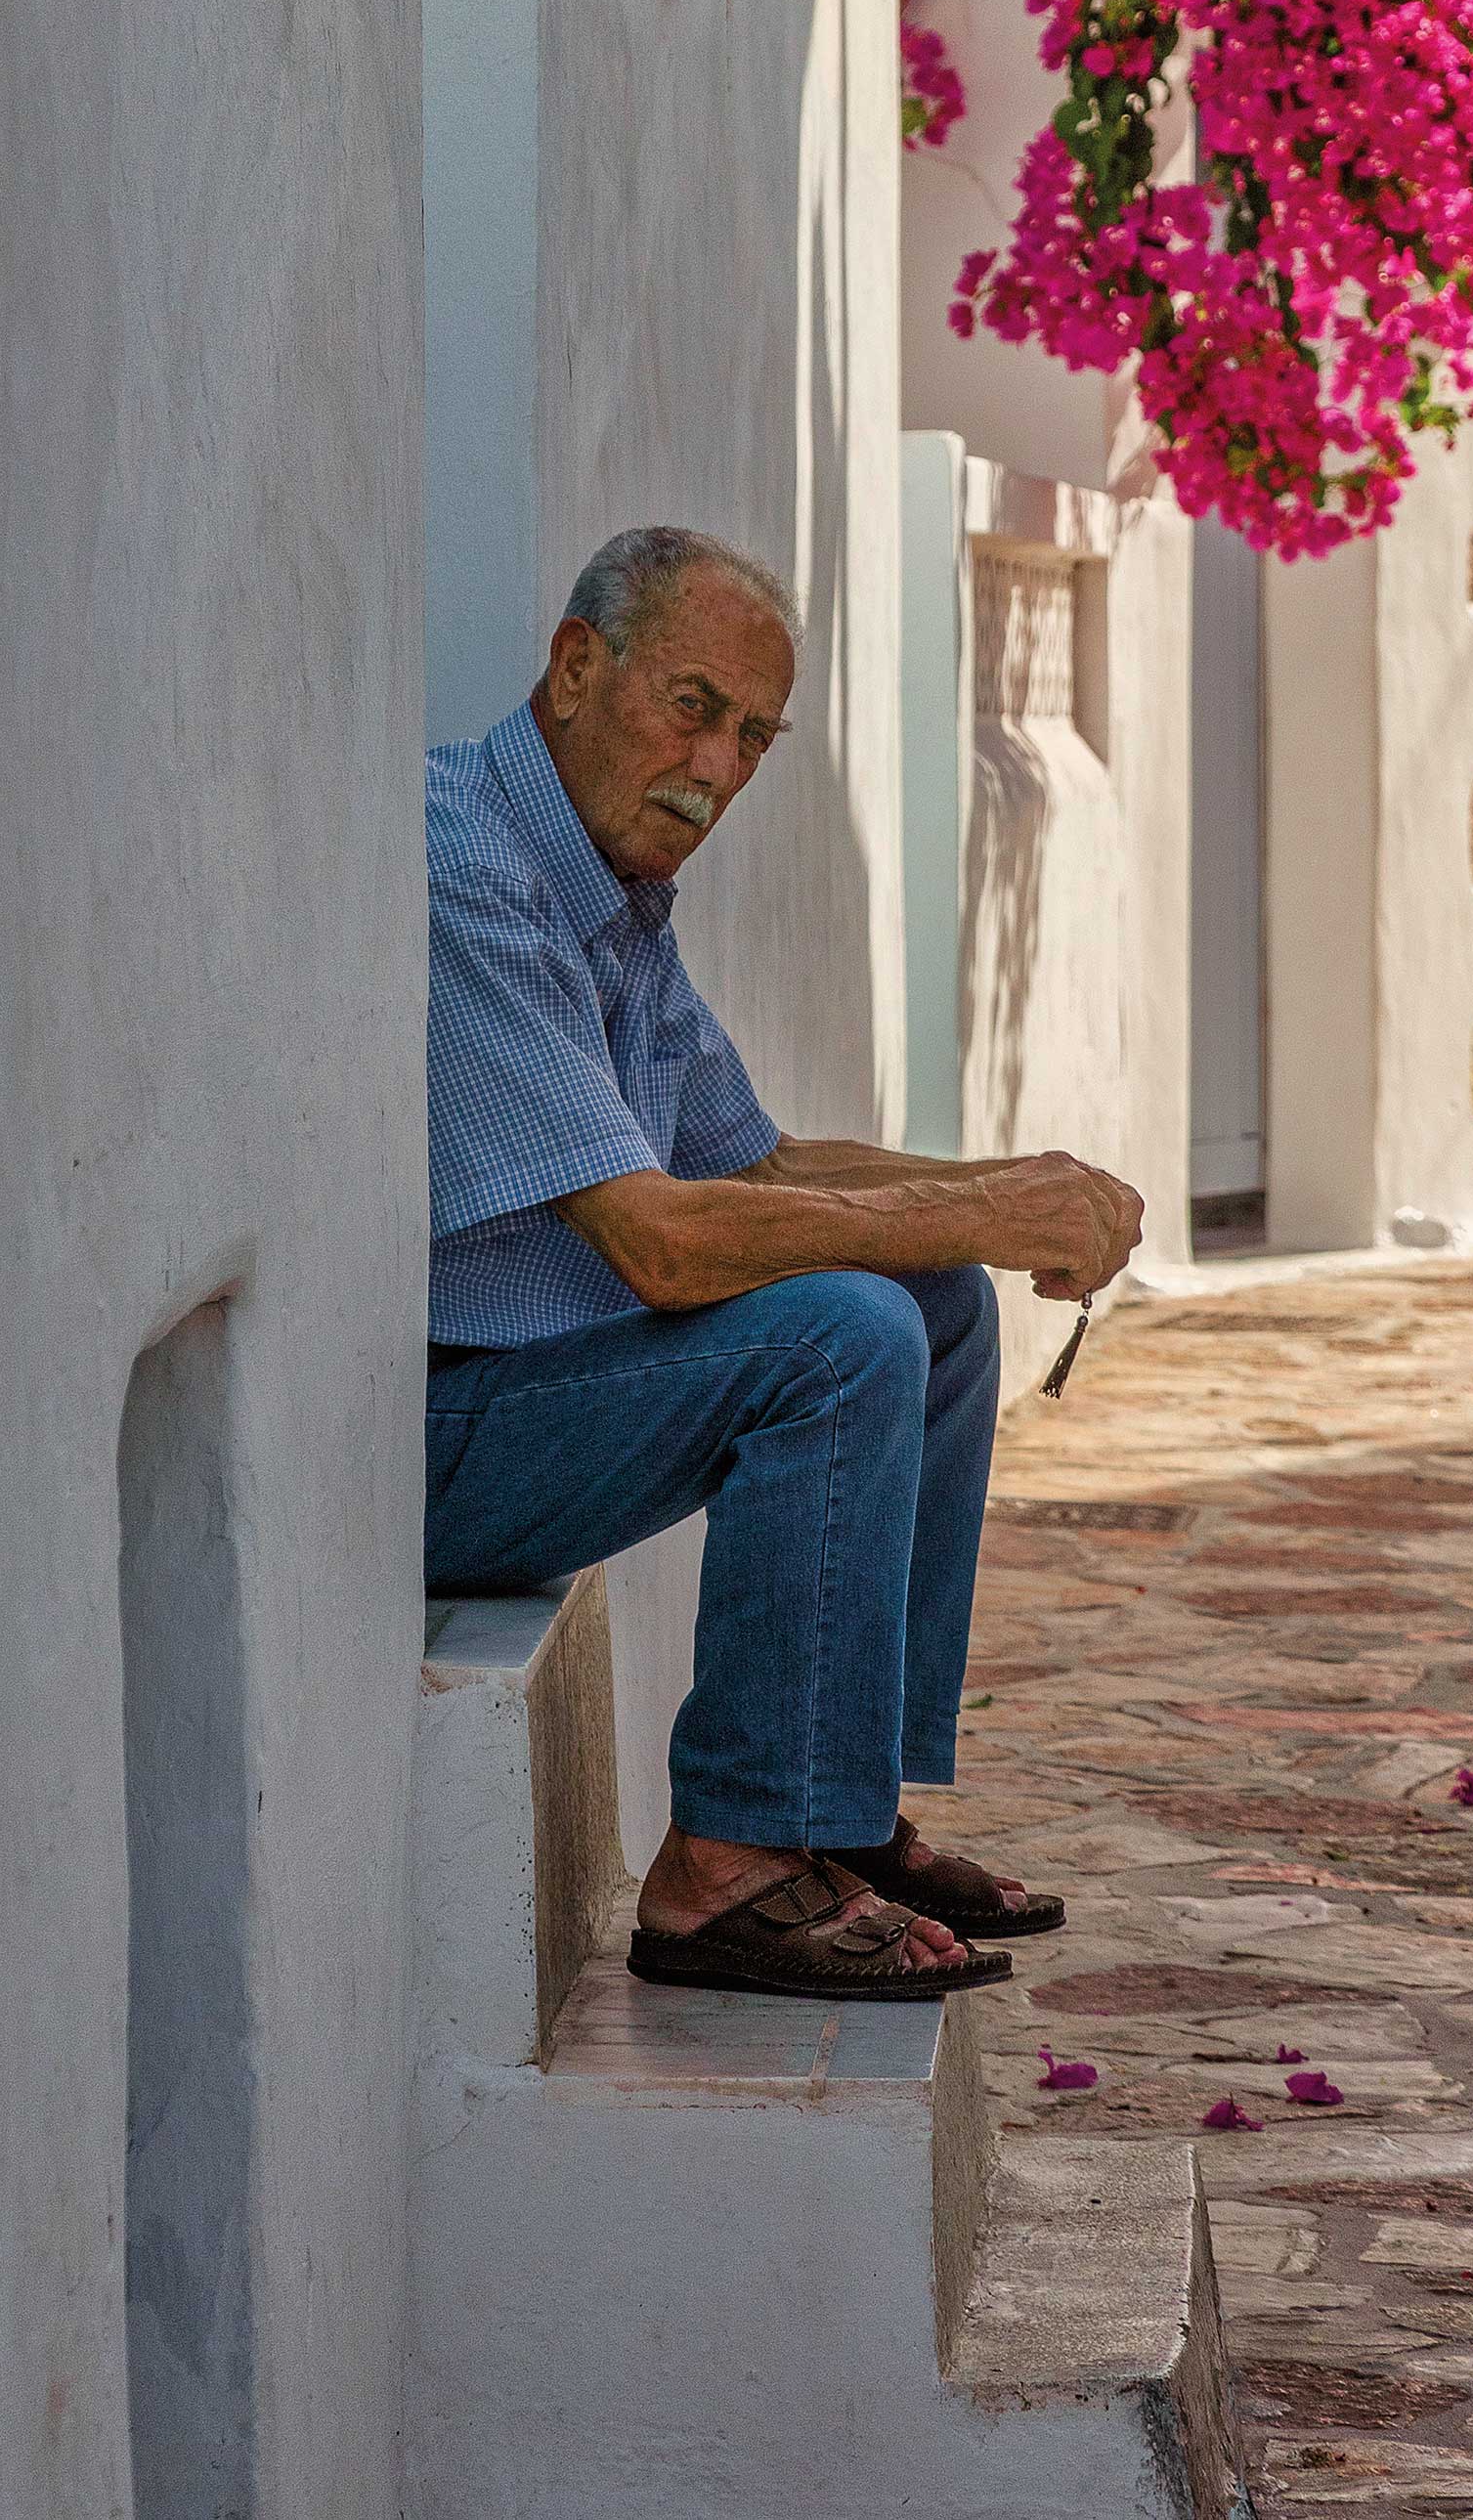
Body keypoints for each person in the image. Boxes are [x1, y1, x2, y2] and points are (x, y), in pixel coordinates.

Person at [423, 524, 1145, 2002]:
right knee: (842, 1333)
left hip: (527, 1404)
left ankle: (838, 1811)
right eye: (693, 705)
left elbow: (752, 1165)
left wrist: (1007, 1192)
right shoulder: (464, 872)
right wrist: (985, 1214)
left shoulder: (608, 891)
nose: (720, 765)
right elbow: (663, 1237)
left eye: (754, 733)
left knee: (929, 1304)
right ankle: (725, 1869)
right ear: (575, 668)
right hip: (421, 1439)